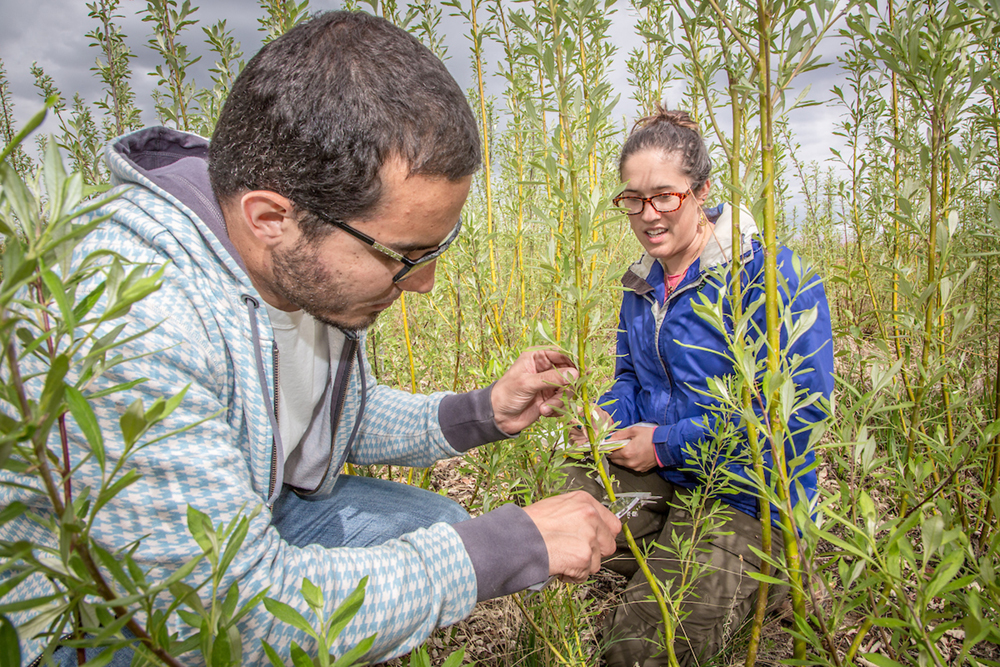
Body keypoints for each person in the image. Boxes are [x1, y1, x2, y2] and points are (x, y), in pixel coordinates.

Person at [0, 11, 620, 666]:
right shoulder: (140, 317)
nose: (424, 284)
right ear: (271, 217)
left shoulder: (301, 262)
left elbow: (334, 418)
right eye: (403, 254)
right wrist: (502, 548)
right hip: (109, 610)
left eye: (436, 249)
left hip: (252, 517)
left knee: (439, 524)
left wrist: (481, 410)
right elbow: (237, 617)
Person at [567, 108, 834, 666]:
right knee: (558, 503)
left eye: (665, 196)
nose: (648, 215)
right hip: (667, 472)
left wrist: (663, 444)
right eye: (633, 199)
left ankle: (772, 569)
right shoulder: (642, 283)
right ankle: (683, 555)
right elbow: (630, 378)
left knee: (636, 653)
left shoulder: (769, 277)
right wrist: (605, 416)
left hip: (740, 487)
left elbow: (792, 418)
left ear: (703, 191)